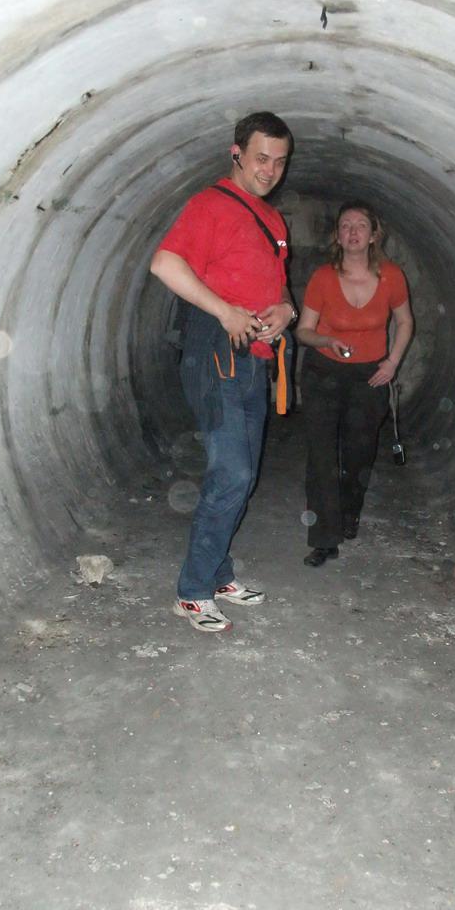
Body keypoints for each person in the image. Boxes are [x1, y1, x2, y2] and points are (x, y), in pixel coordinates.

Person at [150, 111, 298, 631]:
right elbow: (165, 264)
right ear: (236, 153)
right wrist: (225, 311)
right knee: (231, 472)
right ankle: (193, 591)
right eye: (261, 158)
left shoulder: (273, 220)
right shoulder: (209, 205)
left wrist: (287, 310)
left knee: (244, 474)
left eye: (279, 161)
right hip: (216, 351)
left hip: (255, 358)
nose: (270, 170)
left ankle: (218, 574)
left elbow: (277, 284)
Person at [296, 201, 413, 566]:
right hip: (323, 373)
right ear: (337, 235)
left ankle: (349, 513)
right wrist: (327, 340)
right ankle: (324, 538)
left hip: (369, 376)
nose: (353, 232)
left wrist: (392, 362)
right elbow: (303, 330)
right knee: (322, 456)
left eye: (361, 225)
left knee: (359, 452)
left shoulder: (391, 276)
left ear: (374, 234)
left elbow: (405, 321)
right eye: (346, 225)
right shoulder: (323, 278)